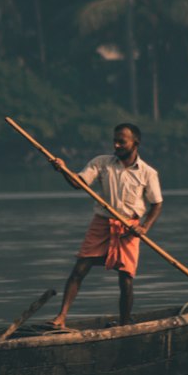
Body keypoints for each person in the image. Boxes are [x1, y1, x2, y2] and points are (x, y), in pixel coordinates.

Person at [49, 123, 162, 329]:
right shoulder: (102, 163)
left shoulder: (147, 172)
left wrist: (144, 227)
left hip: (129, 228)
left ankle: (125, 326)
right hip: (101, 223)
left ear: (135, 143)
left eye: (122, 141)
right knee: (80, 268)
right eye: (115, 141)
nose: (116, 145)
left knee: (126, 278)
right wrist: (64, 170)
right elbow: (78, 183)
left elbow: (156, 204)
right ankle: (61, 317)